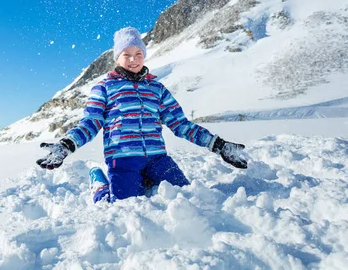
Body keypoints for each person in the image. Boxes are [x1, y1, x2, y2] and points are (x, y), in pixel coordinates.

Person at [36, 27, 247, 203]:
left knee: (185, 196)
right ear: (117, 57)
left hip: (157, 158)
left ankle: (144, 178)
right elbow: (90, 123)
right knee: (120, 207)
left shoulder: (157, 88)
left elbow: (181, 124)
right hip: (123, 159)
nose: (133, 60)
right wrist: (65, 145)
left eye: (138, 54)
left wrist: (218, 145)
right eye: (126, 55)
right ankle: (99, 181)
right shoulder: (104, 88)